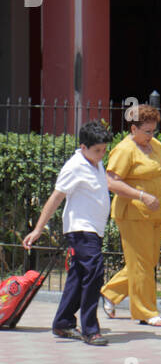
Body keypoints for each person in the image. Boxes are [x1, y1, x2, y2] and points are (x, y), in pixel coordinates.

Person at [22, 120, 112, 346]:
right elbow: (56, 197)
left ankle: (63, 322)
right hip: (81, 229)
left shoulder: (95, 163)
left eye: (104, 150)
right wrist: (38, 229)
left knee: (79, 276)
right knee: (95, 272)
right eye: (97, 150)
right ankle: (91, 329)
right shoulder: (75, 166)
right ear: (83, 147)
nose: (101, 155)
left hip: (94, 229)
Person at [100, 105, 161, 327]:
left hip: (154, 211)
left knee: (148, 261)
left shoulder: (156, 146)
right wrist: (141, 195)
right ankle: (145, 311)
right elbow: (111, 181)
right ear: (134, 128)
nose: (151, 136)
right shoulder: (125, 149)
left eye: (154, 131)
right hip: (132, 213)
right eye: (147, 131)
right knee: (142, 263)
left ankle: (110, 292)